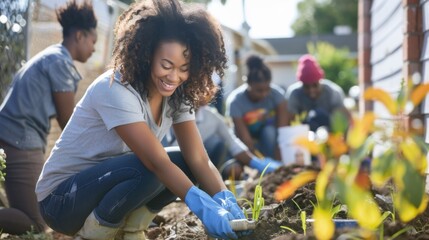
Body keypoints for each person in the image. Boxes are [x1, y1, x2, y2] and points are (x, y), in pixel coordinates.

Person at [35, 0, 247, 239]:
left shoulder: (178, 94)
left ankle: (133, 230)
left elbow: (197, 157)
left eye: (184, 68)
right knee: (151, 166)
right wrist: (202, 206)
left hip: (110, 186)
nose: (174, 76)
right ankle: (96, 233)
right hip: (61, 201)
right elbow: (155, 162)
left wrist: (222, 198)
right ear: (147, 55)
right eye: (166, 65)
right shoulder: (115, 88)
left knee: (183, 162)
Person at [0, 0, 97, 234]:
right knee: (36, 224)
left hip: (10, 137)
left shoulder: (50, 57)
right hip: (19, 142)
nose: (94, 49)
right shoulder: (60, 63)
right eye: (93, 41)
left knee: (17, 209)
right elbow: (68, 122)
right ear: (80, 36)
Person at [165, 103, 282, 180]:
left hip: (201, 163)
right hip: (172, 163)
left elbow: (233, 144)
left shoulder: (211, 117)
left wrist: (256, 163)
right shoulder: (170, 112)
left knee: (224, 154)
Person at [225, 54, 288, 160]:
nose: (264, 94)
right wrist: (257, 162)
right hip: (245, 144)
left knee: (269, 132)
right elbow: (245, 138)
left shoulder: (277, 95)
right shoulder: (235, 101)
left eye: (267, 89)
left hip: (270, 143)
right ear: (248, 84)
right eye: (259, 90)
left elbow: (283, 131)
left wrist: (279, 157)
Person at [285, 54, 351, 132]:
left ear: (320, 81)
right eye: (306, 86)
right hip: (304, 133)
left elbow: (344, 119)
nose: (311, 90)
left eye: (315, 85)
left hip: (330, 132)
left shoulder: (333, 92)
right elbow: (289, 121)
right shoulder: (294, 93)